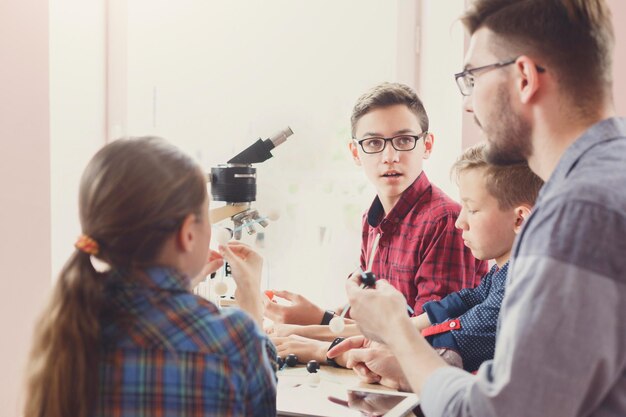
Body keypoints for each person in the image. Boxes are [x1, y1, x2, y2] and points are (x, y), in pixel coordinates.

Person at [336, 1, 626, 416]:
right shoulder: (608, 178)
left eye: (472, 79)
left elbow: (493, 412)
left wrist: (397, 330)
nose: (468, 104)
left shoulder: (577, 214)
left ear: (524, 77)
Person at [23, 137, 277, 417]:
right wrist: (252, 303)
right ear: (187, 234)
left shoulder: (67, 326)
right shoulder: (233, 340)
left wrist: (180, 288)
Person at [265, 83, 487, 330]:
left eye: (404, 140)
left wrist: (320, 322)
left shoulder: (444, 220)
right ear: (355, 152)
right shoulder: (371, 220)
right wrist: (314, 320)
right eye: (373, 143)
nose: (389, 156)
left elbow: (428, 336)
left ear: (427, 144)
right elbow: (372, 321)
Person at [328, 142, 543, 380]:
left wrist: (396, 340)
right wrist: (395, 335)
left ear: (519, 220)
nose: (460, 222)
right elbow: (461, 302)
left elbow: (458, 337)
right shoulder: (502, 274)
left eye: (471, 209)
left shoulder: (521, 285)